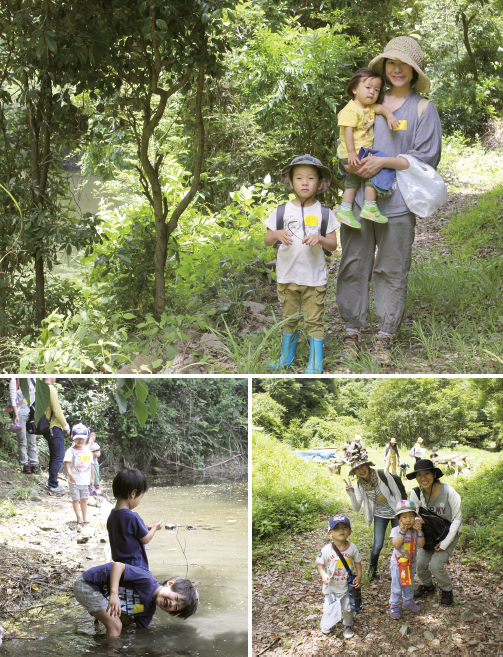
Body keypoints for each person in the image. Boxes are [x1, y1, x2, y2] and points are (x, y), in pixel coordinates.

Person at [337, 37, 442, 364]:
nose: (397, 69)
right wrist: (350, 163)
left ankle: (385, 334)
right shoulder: (366, 99)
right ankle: (352, 329)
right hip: (359, 205)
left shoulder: (423, 108)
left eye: (404, 65)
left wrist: (384, 161)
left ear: (413, 71)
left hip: (397, 204)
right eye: (391, 63)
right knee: (354, 264)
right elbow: (345, 143)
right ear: (383, 67)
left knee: (391, 269)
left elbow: (427, 158)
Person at [264, 154, 339, 373]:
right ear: (290, 182)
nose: (304, 183)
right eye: (299, 178)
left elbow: (333, 244)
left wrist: (321, 239)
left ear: (320, 183)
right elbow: (267, 239)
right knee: (289, 318)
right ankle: (286, 358)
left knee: (314, 321)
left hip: (314, 278)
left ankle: (315, 364)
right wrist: (277, 233)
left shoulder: (324, 213)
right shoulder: (281, 211)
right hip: (287, 276)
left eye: (310, 178)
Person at [336, 68, 400, 229]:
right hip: (355, 153)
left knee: (353, 183)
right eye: (368, 87)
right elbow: (347, 131)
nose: (372, 92)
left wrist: (389, 115)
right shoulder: (350, 110)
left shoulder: (369, 107)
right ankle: (370, 206)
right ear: (355, 89)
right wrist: (351, 152)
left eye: (377, 89)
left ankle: (344, 210)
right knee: (376, 170)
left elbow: (381, 109)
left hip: (356, 153)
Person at [73, 561, 199, 637]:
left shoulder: (147, 610)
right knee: (116, 626)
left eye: (176, 607)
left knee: (128, 622)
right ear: (170, 583)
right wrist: (114, 594)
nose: (172, 603)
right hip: (89, 584)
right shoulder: (146, 581)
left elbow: (141, 631)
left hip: (100, 594)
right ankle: (110, 652)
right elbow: (117, 566)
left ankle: (101, 634)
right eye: (176, 598)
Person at [407, 459, 462, 607]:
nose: (423, 478)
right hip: (429, 534)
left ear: (434, 474)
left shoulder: (448, 491)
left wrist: (445, 543)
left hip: (450, 531)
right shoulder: (416, 493)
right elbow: (414, 514)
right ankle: (427, 586)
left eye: (427, 474)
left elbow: (457, 519)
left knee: (436, 564)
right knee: (420, 563)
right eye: (419, 475)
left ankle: (447, 589)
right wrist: (416, 523)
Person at [344, 456, 401, 579]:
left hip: (395, 513)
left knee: (399, 544)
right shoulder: (359, 484)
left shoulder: (382, 474)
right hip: (380, 515)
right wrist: (351, 493)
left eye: (362, 466)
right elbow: (357, 507)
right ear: (354, 472)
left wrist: (401, 513)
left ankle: (400, 571)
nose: (361, 470)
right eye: (357, 468)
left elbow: (396, 493)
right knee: (377, 545)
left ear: (368, 465)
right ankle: (372, 572)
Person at [316, 514, 362, 638]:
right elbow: (320, 563)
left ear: (350, 531)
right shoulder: (326, 550)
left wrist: (360, 575)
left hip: (346, 586)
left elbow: (358, 562)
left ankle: (348, 625)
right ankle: (329, 623)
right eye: (336, 528)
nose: (341, 530)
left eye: (344, 527)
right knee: (329, 607)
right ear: (330, 533)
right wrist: (323, 574)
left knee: (347, 608)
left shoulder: (352, 548)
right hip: (331, 587)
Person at [107, 468, 163, 570]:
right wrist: (155, 528)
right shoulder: (132, 517)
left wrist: (142, 528)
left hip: (120, 568)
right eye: (141, 497)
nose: (140, 500)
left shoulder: (112, 515)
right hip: (136, 567)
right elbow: (146, 539)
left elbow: (124, 534)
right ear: (133, 494)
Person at [389, 500, 425, 619]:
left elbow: (421, 544)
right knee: (397, 585)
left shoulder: (415, 531)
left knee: (409, 583)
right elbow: (397, 545)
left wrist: (419, 531)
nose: (408, 520)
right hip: (398, 564)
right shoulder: (396, 530)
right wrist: (402, 533)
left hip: (411, 563)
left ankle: (407, 601)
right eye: (404, 517)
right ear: (399, 519)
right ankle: (394, 605)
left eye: (411, 516)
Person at [43, 377, 71, 495]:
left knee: (55, 456)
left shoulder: (40, 389)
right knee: (59, 457)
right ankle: (52, 484)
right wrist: (67, 427)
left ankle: (52, 482)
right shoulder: (50, 389)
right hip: (54, 427)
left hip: (46, 427)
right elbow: (57, 410)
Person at [64, 423, 94, 524]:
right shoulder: (70, 451)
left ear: (86, 438)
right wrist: (70, 475)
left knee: (84, 499)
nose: (80, 441)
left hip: (85, 481)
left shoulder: (88, 451)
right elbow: (67, 464)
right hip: (74, 481)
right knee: (76, 499)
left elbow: (91, 465)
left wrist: (92, 478)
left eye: (82, 438)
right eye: (77, 438)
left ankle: (85, 518)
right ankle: (79, 517)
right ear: (72, 437)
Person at [8, 377, 39, 474]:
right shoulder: (15, 381)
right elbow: (13, 398)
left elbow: (38, 396)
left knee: (32, 441)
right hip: (20, 413)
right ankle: (25, 464)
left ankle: (34, 464)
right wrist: (16, 415)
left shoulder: (34, 380)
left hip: (32, 415)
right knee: (22, 440)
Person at [87, 429, 101, 495]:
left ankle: (97, 490)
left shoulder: (95, 445)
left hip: (95, 464)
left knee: (96, 477)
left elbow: (99, 453)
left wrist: (96, 454)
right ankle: (90, 490)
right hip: (87, 464)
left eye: (94, 435)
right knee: (89, 478)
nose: (94, 437)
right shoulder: (85, 445)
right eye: (92, 435)